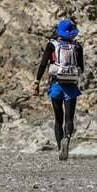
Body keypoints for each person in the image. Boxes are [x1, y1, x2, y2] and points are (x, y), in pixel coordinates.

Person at [34, 18, 84, 161]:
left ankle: (59, 148)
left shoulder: (52, 45)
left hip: (56, 86)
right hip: (71, 87)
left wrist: (36, 82)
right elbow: (82, 68)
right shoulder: (77, 46)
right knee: (69, 118)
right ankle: (67, 138)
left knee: (58, 119)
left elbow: (43, 64)